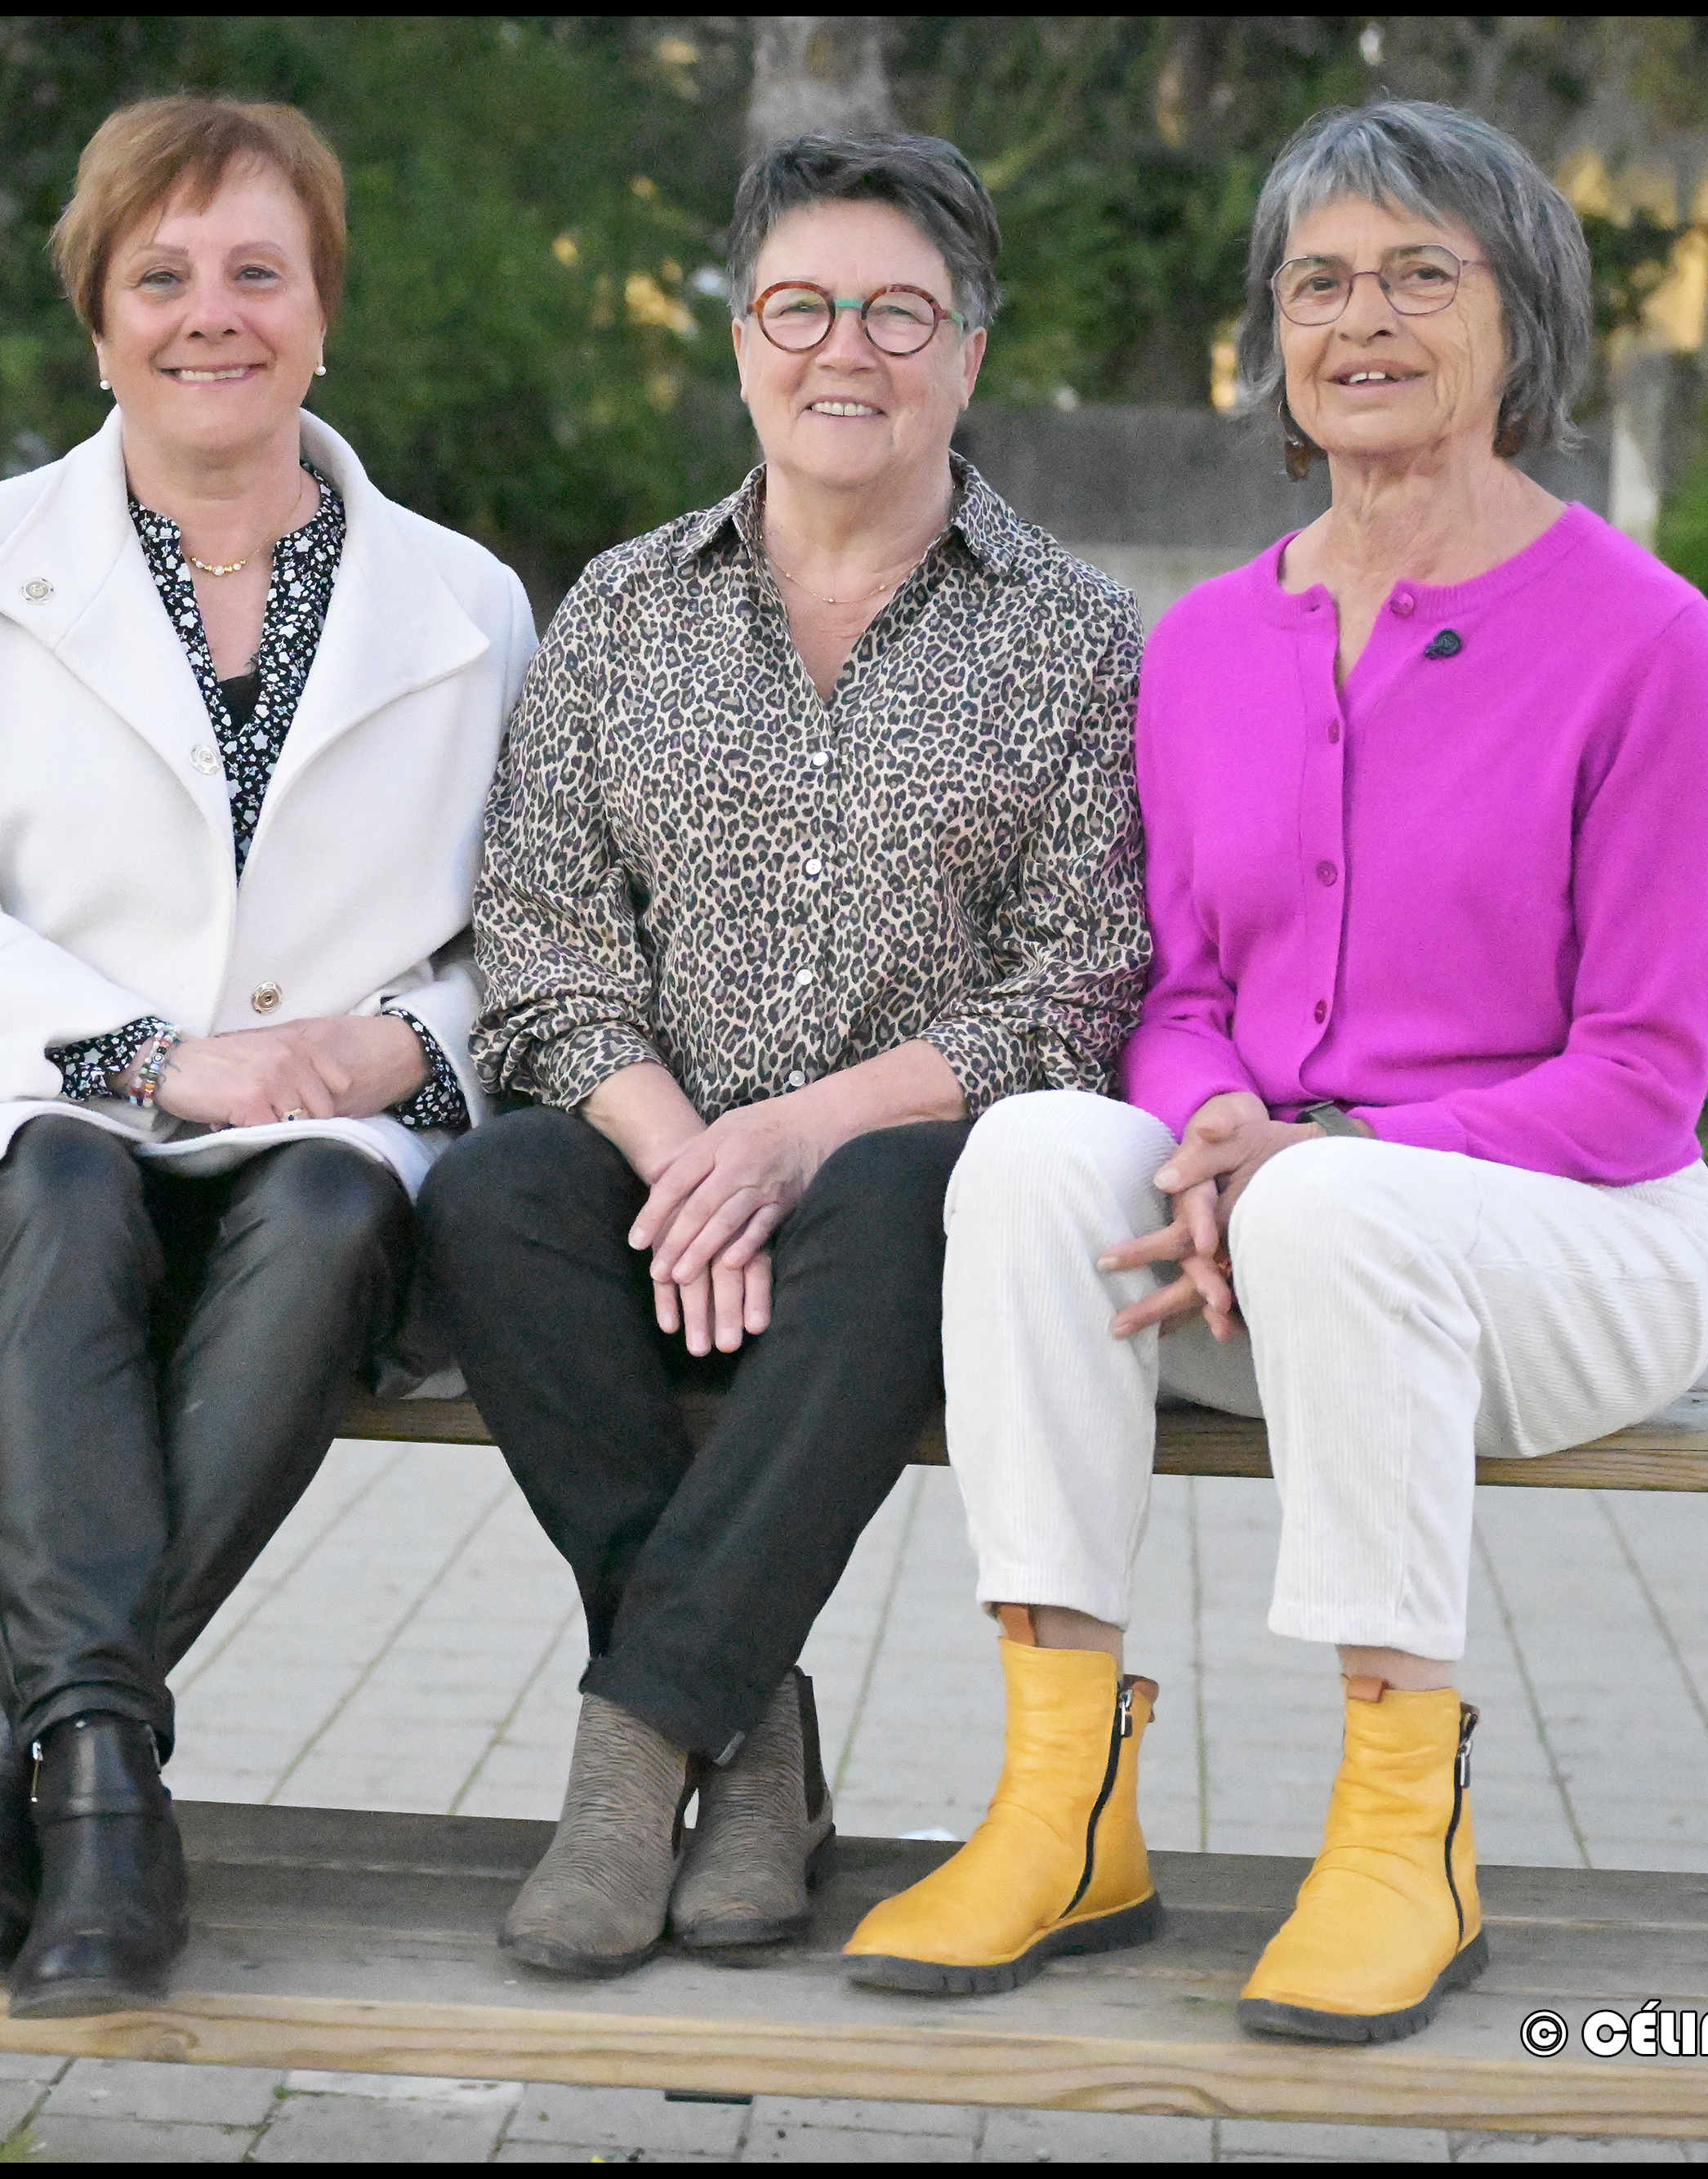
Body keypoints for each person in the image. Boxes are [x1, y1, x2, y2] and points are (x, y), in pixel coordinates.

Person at [845, 99, 1708, 2048]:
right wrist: (1210, 1131)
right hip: (1264, 1243)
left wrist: (1315, 1153)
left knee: (1339, 1202)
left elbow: (1640, 1081)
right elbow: (1177, 991)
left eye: (1422, 274)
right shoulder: (1205, 646)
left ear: (1524, 321)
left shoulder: (1639, 639)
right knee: (1021, 1150)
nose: (1363, 319)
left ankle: (1397, 1823)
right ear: (1270, 334)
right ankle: (1059, 1795)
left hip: (1570, 1254)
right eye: (1318, 281)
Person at [0, 96, 535, 2018]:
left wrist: (399, 1040)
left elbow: (528, 932)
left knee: (315, 1200)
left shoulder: (465, 605)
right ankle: (110, 1796)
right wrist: (140, 1053)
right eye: (160, 275)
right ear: (96, 313)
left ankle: (18, 1738)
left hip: (324, 1139)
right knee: (57, 1174)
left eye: (255, 271)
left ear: (320, 312)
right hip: (13, 1104)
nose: (209, 313)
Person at [417, 132, 1148, 1980]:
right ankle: (747, 1743)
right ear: (740, 341)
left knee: (914, 1192)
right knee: (495, 1183)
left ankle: (632, 1748)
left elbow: (1082, 981)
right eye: (800, 305)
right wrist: (687, 1154)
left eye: (898, 311)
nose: (848, 349)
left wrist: (799, 1132)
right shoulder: (616, 611)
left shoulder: (1071, 638)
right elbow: (541, 946)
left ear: (967, 352)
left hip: (891, 1188)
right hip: (654, 1187)